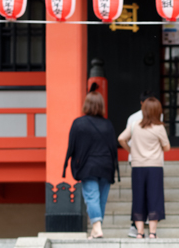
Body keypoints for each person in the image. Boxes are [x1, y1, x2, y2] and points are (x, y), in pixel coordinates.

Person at [62, 91, 119, 239]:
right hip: (106, 166)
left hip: (88, 166)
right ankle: (96, 229)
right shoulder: (108, 125)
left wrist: (73, 165)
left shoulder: (79, 123)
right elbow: (113, 147)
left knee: (92, 197)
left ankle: (97, 227)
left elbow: (72, 147)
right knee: (101, 199)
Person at [118, 96, 170, 238]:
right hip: (154, 166)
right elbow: (167, 147)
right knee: (155, 197)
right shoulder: (159, 127)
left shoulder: (134, 125)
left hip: (137, 166)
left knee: (138, 197)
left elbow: (121, 138)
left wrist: (131, 150)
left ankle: (140, 232)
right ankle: (152, 233)